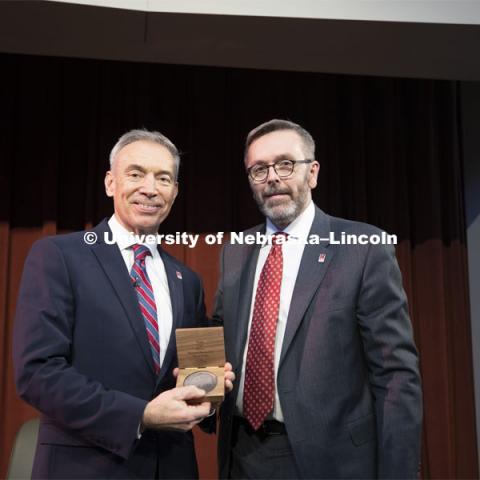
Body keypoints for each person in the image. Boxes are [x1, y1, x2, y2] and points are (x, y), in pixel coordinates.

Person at [13, 129, 234, 479]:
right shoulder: (59, 256)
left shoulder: (186, 281)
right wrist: (140, 415)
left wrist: (210, 388)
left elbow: (184, 379)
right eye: (135, 174)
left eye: (163, 178)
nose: (150, 188)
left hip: (172, 467)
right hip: (86, 468)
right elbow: (37, 373)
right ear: (110, 183)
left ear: (175, 192)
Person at [213, 119, 422, 479]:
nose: (272, 178)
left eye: (285, 164)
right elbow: (221, 337)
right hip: (242, 454)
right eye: (259, 169)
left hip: (332, 460)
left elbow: (395, 375)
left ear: (313, 173)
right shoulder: (235, 249)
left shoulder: (363, 248)